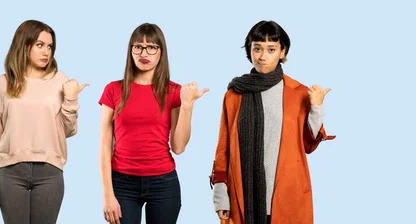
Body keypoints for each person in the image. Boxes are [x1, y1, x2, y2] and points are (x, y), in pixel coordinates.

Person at [209, 20, 336, 224]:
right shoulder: (234, 94)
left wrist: (317, 108)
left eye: (271, 49)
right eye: (257, 48)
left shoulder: (299, 93)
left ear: (282, 52)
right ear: (249, 51)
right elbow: (223, 149)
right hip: (243, 195)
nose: (262, 56)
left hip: (288, 197)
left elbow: (309, 144)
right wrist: (221, 199)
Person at [99, 23, 208, 224]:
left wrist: (187, 105)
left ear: (161, 52)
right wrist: (108, 196)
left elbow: (179, 147)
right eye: (138, 46)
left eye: (151, 47)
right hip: (122, 182)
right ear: (130, 50)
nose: (144, 52)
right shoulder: (113, 90)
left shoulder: (173, 91)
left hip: (163, 183)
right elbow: (105, 146)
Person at [0, 20, 87, 224]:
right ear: (24, 44)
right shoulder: (2, 83)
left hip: (49, 171)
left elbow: (69, 130)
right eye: (40, 45)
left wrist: (71, 99)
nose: (46, 52)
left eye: (50, 46)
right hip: (10, 172)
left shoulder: (60, 80)